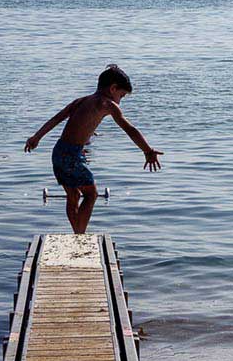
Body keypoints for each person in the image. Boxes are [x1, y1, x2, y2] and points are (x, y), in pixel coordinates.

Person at [24, 64, 164, 234]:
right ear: (113, 88)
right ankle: (80, 235)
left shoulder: (81, 101)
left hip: (59, 152)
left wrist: (36, 137)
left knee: (73, 195)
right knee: (91, 194)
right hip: (71, 155)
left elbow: (57, 118)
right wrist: (147, 150)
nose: (120, 100)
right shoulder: (108, 104)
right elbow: (129, 129)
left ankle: (77, 232)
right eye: (121, 95)